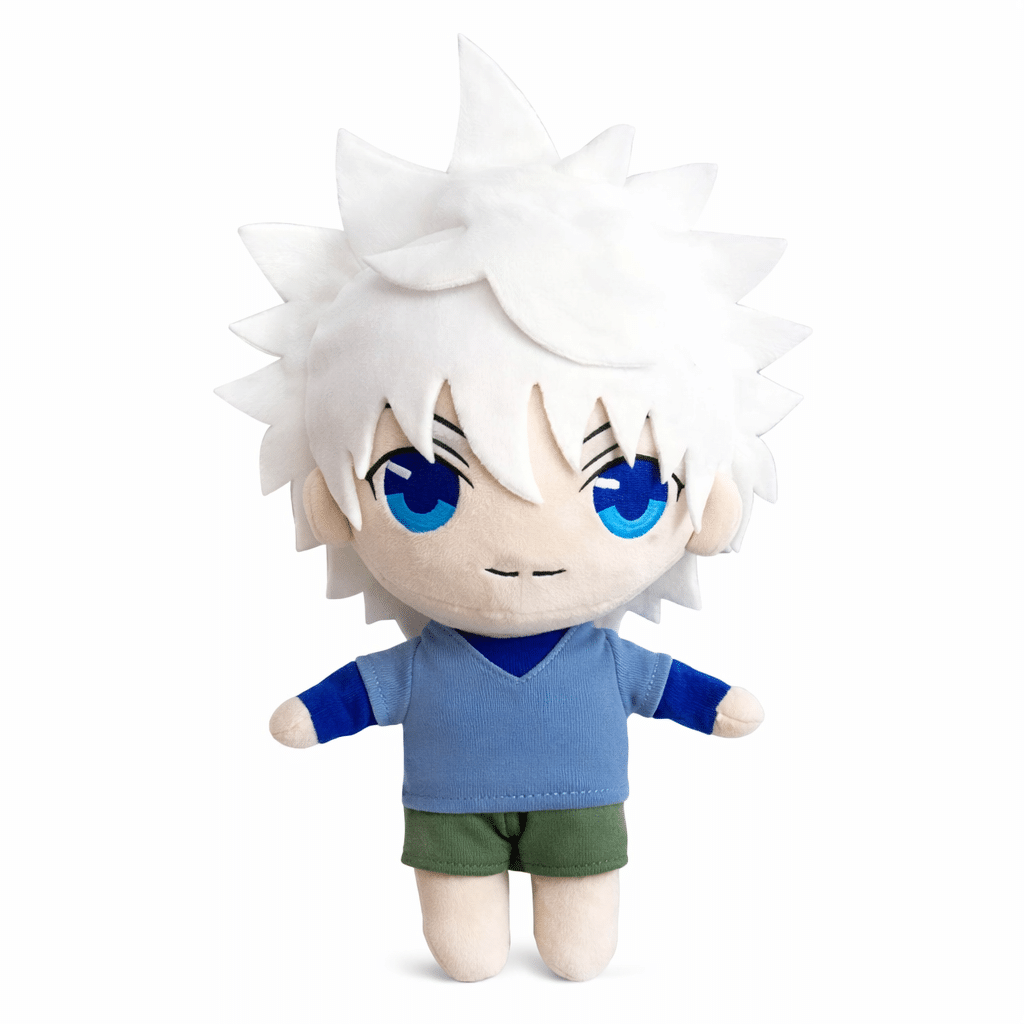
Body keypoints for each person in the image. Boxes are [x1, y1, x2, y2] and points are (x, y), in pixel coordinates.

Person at [220, 37, 808, 982]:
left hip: (582, 809)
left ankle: (562, 935)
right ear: (333, 502)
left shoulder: (600, 661)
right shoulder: (432, 663)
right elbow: (360, 694)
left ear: (704, 511)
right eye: (422, 488)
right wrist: (312, 715)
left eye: (624, 495)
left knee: (579, 952)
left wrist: (719, 706)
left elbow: (673, 690)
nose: (526, 553)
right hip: (448, 813)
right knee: (465, 957)